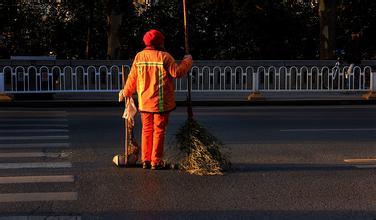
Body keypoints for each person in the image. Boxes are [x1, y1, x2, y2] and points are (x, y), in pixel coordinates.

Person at [121, 29, 193, 170]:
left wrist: (126, 92)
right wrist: (187, 61)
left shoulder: (139, 57)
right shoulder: (164, 57)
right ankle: (156, 160)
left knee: (146, 130)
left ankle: (145, 160)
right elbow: (177, 72)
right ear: (160, 42)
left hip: (145, 102)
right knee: (159, 130)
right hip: (161, 103)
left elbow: (132, 77)